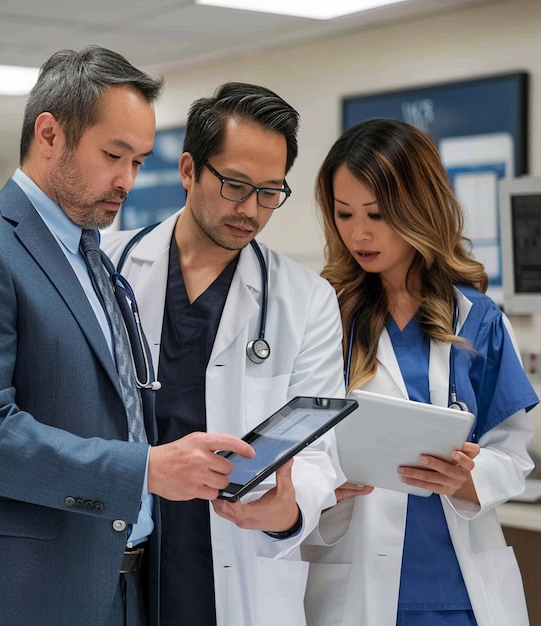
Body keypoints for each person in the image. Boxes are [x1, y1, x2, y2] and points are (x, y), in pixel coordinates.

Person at [0, 46, 257, 626]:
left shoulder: (93, 256)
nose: (127, 180)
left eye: (140, 160)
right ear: (49, 135)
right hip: (26, 595)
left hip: (123, 586)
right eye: (113, 154)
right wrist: (144, 469)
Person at [101, 81, 347, 626]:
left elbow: (317, 450)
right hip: (120, 556)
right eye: (235, 185)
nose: (252, 210)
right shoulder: (107, 267)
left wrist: (290, 509)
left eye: (270, 192)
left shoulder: (304, 299)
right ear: (189, 170)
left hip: (233, 557)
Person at [302, 117, 539, 626]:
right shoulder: (322, 318)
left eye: (377, 214)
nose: (358, 233)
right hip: (355, 580)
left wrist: (467, 475)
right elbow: (297, 443)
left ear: (417, 208)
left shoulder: (477, 320)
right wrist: (318, 485)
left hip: (461, 592)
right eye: (344, 214)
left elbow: (512, 452)